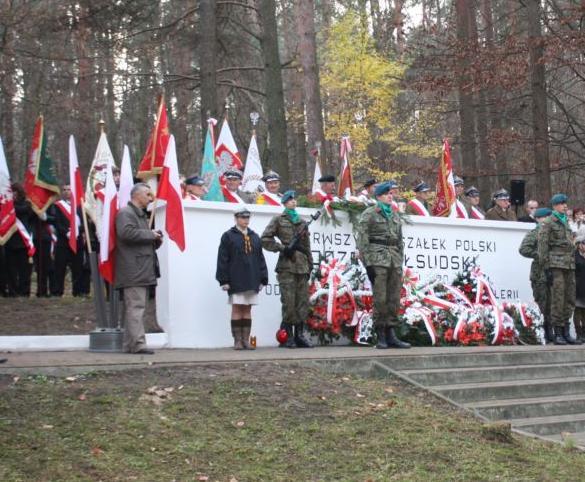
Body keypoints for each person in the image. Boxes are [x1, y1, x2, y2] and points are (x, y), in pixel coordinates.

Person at [355, 181, 410, 349]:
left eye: (391, 194)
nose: (390, 196)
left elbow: (399, 240)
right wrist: (368, 264)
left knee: (394, 298)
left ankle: (391, 333)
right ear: (378, 196)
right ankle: (380, 335)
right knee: (380, 298)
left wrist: (400, 259)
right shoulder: (370, 213)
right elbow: (362, 239)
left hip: (394, 260)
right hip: (378, 260)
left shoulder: (394, 215)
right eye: (387, 194)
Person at [114, 183, 163, 355]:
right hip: (133, 269)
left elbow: (139, 240)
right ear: (136, 195)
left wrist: (155, 239)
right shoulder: (126, 213)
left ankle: (131, 344)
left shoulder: (140, 215)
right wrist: (150, 234)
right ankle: (138, 344)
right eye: (148, 194)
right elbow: (126, 234)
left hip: (140, 268)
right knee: (136, 307)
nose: (151, 198)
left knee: (134, 308)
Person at [261, 190, 313, 348]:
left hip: (302, 266)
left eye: (294, 199)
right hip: (287, 266)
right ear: (284, 203)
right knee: (289, 302)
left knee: (302, 302)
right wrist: (282, 248)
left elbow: (306, 246)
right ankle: (288, 335)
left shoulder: (302, 222)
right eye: (290, 200)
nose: (293, 202)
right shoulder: (278, 219)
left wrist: (310, 264)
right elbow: (265, 239)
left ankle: (300, 334)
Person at [216, 207, 268, 349]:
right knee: (237, 307)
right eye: (242, 217)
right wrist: (224, 280)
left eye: (247, 218)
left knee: (247, 309)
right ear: (236, 218)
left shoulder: (255, 236)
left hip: (252, 278)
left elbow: (260, 258)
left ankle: (246, 340)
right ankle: (237, 340)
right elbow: (222, 259)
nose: (245, 220)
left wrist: (263, 278)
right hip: (236, 278)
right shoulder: (228, 236)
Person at [538, 193, 580, 345]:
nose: (565, 206)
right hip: (556, 266)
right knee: (558, 298)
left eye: (565, 203)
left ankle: (566, 331)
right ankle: (558, 333)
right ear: (555, 205)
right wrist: (546, 267)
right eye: (562, 203)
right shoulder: (549, 222)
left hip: (569, 265)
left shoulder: (566, 221)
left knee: (569, 298)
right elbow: (542, 246)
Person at [519, 207, 553, 342]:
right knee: (543, 304)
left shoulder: (552, 233)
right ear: (539, 219)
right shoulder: (534, 233)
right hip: (540, 274)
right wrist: (539, 255)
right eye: (546, 217)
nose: (549, 219)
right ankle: (544, 332)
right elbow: (523, 249)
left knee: (553, 304)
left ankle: (554, 331)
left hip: (553, 272)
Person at [52, 184, 85, 296]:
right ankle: (57, 292)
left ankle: (78, 291)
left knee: (78, 267)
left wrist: (77, 231)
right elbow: (57, 222)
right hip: (63, 241)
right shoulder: (58, 206)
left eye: (69, 189)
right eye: (64, 189)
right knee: (59, 268)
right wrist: (67, 232)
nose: (66, 192)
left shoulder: (80, 206)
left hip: (77, 241)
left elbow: (84, 222)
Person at [5, 183, 34, 297]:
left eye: (14, 192)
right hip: (10, 240)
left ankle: (24, 291)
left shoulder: (26, 204)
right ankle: (13, 291)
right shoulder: (6, 206)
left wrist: (9, 205)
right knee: (11, 269)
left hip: (23, 241)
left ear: (19, 192)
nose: (13, 194)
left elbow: (22, 211)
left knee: (24, 270)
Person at [574, 234, 585, 342]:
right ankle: (579, 335)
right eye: (583, 243)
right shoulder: (574, 256)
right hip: (577, 288)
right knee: (578, 312)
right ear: (579, 245)